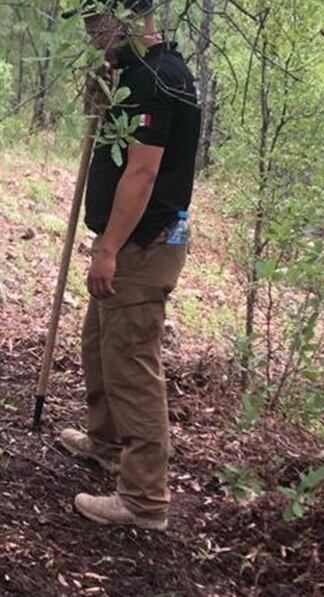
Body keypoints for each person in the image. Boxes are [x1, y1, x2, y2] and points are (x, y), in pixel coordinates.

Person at [58, 0, 201, 531]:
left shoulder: (156, 81)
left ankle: (143, 500)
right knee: (100, 344)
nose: (93, 34)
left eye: (99, 22)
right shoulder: (139, 74)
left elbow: (142, 175)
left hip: (143, 247)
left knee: (132, 366)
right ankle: (105, 444)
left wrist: (109, 247)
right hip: (134, 242)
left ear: (129, 16)